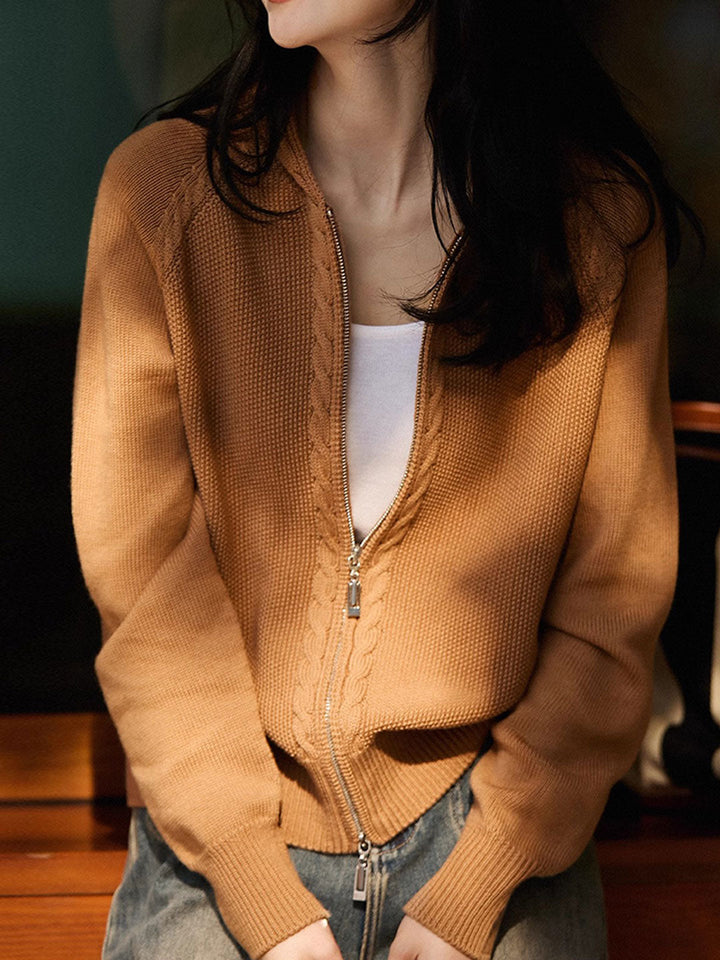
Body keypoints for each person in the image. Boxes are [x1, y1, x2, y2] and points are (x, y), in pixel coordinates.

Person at [71, 2, 701, 958]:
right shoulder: (162, 195)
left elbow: (613, 596)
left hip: (498, 831)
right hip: (222, 835)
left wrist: (482, 876)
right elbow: (145, 580)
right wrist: (261, 896)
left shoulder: (596, 223)